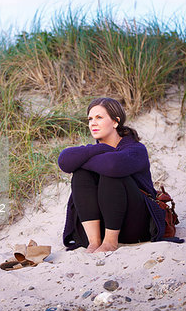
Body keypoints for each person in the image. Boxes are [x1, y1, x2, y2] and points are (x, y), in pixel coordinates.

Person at [58, 97, 168, 253]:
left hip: (135, 225)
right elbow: (63, 161)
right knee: (81, 174)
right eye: (90, 119)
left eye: (99, 118)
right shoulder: (95, 151)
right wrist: (99, 149)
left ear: (116, 122)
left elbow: (112, 165)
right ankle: (95, 242)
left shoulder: (136, 149)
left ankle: (110, 242)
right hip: (100, 225)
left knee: (111, 174)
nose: (92, 123)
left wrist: (79, 160)